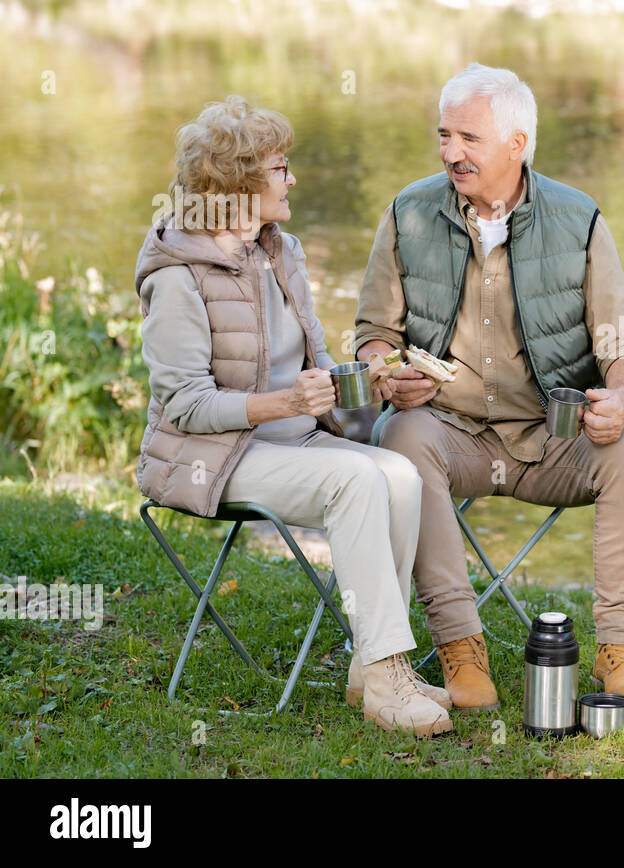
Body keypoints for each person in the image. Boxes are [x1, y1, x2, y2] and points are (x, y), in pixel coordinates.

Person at [134, 96, 451, 737]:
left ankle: (371, 664)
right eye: (282, 167)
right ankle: (390, 673)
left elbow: (318, 369)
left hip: (294, 441)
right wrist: (282, 404)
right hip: (211, 459)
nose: (293, 179)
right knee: (357, 481)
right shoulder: (179, 279)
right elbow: (186, 407)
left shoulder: (281, 253)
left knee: (398, 474)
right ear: (240, 181)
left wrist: (379, 384)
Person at [354, 63, 624, 711]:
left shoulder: (578, 220)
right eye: (443, 135)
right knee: (398, 435)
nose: (449, 152)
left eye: (468, 138)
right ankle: (461, 651)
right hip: (449, 434)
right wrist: (389, 373)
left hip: (550, 442)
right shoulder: (408, 213)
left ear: (518, 144)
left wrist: (621, 399)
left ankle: (620, 650)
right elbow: (373, 335)